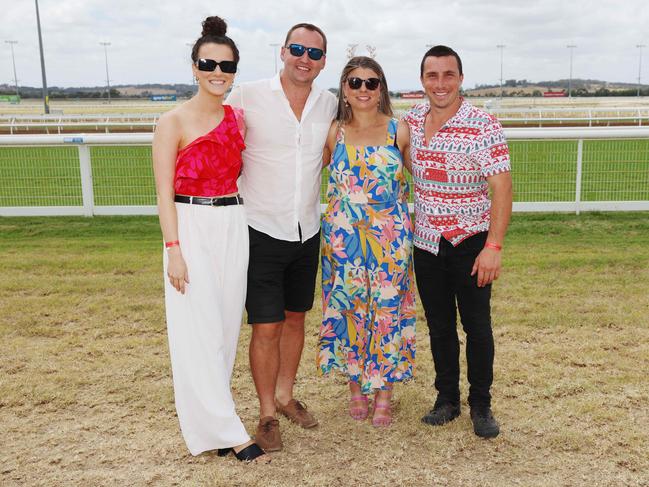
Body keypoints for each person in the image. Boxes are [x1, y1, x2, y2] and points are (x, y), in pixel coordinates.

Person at [152, 16, 268, 463]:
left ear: (235, 69)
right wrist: (173, 249)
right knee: (196, 331)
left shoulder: (238, 118)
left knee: (222, 329)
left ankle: (213, 427)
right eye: (209, 63)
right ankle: (229, 431)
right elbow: (163, 192)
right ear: (195, 67)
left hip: (232, 222)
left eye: (227, 65)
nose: (218, 72)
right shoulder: (172, 121)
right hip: (190, 224)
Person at [226, 23, 337, 451]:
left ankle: (287, 396)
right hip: (260, 229)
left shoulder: (329, 103)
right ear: (283, 52)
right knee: (266, 325)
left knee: (295, 318)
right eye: (297, 49)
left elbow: (334, 152)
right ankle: (267, 413)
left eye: (314, 53)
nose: (304, 58)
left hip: (308, 229)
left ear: (323, 61)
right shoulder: (249, 95)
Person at [401, 45, 513, 438]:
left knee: (477, 325)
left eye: (448, 75)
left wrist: (493, 247)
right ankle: (446, 398)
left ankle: (480, 404)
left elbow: (502, 188)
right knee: (439, 325)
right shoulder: (410, 121)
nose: (440, 83)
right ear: (422, 81)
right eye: (432, 75)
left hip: (470, 240)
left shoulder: (484, 124)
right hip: (427, 241)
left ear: (461, 79)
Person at [317, 56, 416, 427]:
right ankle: (356, 386)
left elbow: (419, 179)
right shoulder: (333, 132)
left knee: (387, 311)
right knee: (350, 309)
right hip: (343, 241)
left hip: (390, 238)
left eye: (370, 83)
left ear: (381, 89)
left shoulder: (398, 131)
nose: (362, 89)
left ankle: (385, 390)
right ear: (344, 89)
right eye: (354, 82)